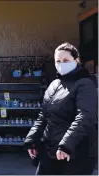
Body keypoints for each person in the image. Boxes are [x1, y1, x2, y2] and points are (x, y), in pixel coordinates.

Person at [24, 42, 98, 175]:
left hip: (74, 153)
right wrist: (32, 140)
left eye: (66, 60)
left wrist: (66, 145)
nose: (61, 64)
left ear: (77, 60)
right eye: (58, 61)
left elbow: (85, 117)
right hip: (50, 151)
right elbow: (44, 115)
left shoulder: (85, 84)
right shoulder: (54, 84)